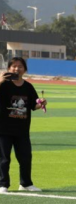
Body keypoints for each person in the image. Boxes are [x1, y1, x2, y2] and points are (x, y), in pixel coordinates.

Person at [0, 57, 45, 193]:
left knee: (25, 158)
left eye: (20, 66)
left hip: (22, 130)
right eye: (14, 66)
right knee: (4, 159)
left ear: (24, 69)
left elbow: (33, 105)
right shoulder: (4, 85)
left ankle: (25, 183)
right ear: (8, 69)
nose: (16, 69)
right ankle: (3, 184)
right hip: (3, 129)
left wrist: (41, 103)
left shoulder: (28, 87)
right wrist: (1, 81)